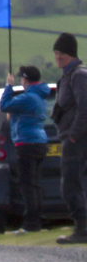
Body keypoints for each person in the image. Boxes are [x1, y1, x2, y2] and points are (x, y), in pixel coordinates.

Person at [0, 65, 50, 233]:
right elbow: (24, 117)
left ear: (25, 80)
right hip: (39, 142)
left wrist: (8, 86)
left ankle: (30, 224)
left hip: (26, 144)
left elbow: (4, 105)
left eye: (21, 78)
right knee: (34, 184)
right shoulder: (39, 96)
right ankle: (37, 220)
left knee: (27, 185)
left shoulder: (28, 97)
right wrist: (13, 116)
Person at [51, 32, 87, 245]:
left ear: (70, 54)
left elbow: (85, 108)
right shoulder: (67, 75)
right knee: (73, 184)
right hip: (72, 137)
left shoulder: (78, 75)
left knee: (70, 185)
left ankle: (82, 230)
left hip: (77, 139)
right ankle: (81, 226)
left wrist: (73, 135)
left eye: (61, 53)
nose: (57, 57)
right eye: (55, 53)